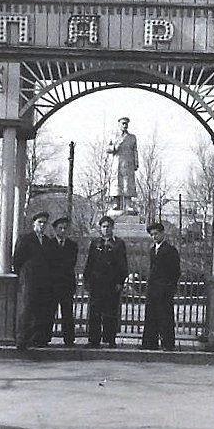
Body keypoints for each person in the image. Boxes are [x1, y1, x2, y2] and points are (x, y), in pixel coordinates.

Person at [82, 215, 128, 347]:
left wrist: (120, 281)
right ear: (100, 228)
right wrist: (87, 280)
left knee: (111, 312)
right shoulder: (95, 243)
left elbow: (123, 264)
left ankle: (110, 339)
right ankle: (94, 340)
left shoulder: (119, 244)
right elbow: (90, 263)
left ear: (112, 228)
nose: (106, 229)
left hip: (112, 284)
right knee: (95, 312)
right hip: (97, 283)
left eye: (108, 226)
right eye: (103, 226)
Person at [13, 211, 54, 351]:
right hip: (29, 279)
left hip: (43, 281)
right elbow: (17, 260)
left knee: (40, 310)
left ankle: (36, 339)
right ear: (34, 223)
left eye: (44, 223)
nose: (42, 225)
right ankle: (22, 340)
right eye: (39, 222)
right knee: (27, 309)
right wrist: (23, 275)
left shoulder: (48, 241)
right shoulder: (25, 239)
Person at [141, 221, 181, 351]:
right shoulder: (153, 250)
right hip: (153, 290)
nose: (154, 237)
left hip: (165, 290)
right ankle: (150, 343)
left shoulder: (170, 250)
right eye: (152, 235)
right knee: (151, 316)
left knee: (165, 317)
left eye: (156, 234)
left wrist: (169, 288)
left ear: (163, 233)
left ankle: (167, 344)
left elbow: (175, 272)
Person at [47, 216, 79, 346]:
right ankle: (45, 337)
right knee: (49, 311)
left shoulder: (72, 245)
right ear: (55, 229)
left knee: (67, 312)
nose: (63, 230)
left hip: (66, 283)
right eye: (60, 228)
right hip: (52, 284)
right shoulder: (49, 244)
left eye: (65, 228)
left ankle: (69, 339)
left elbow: (71, 263)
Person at [107, 116, 139, 212]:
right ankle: (116, 203)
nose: (125, 125)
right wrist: (114, 147)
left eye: (126, 124)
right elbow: (107, 148)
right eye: (123, 123)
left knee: (128, 183)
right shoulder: (113, 136)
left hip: (128, 163)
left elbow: (135, 150)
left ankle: (128, 204)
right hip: (117, 162)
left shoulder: (132, 137)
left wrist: (136, 162)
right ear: (119, 124)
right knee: (117, 182)